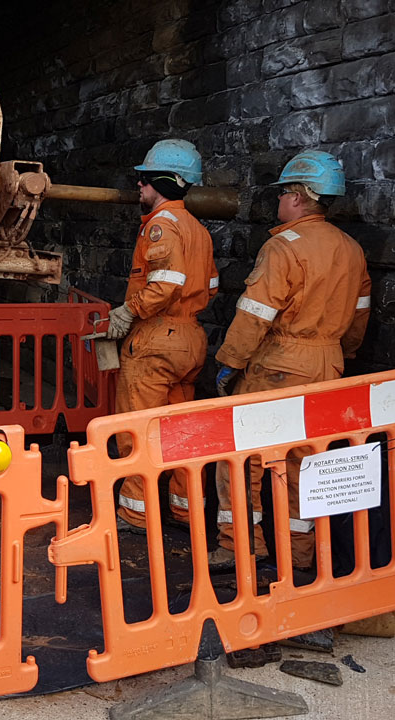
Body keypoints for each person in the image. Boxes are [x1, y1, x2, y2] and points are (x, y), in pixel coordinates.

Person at [209, 149, 371, 569]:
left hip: (281, 361)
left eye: (283, 193)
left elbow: (255, 314)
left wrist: (231, 361)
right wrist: (342, 354)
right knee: (306, 463)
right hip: (327, 363)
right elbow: (359, 314)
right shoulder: (351, 249)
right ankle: (300, 554)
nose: (279, 201)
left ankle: (239, 546)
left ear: (299, 196)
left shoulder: (283, 246)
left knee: (243, 455)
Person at [108, 139, 218, 533]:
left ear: (162, 183)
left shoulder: (160, 226)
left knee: (138, 429)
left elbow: (166, 283)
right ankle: (186, 511)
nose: (138, 186)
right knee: (180, 433)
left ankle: (136, 513)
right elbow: (211, 285)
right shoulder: (198, 230)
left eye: (143, 180)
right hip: (190, 338)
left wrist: (128, 311)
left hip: (158, 337)